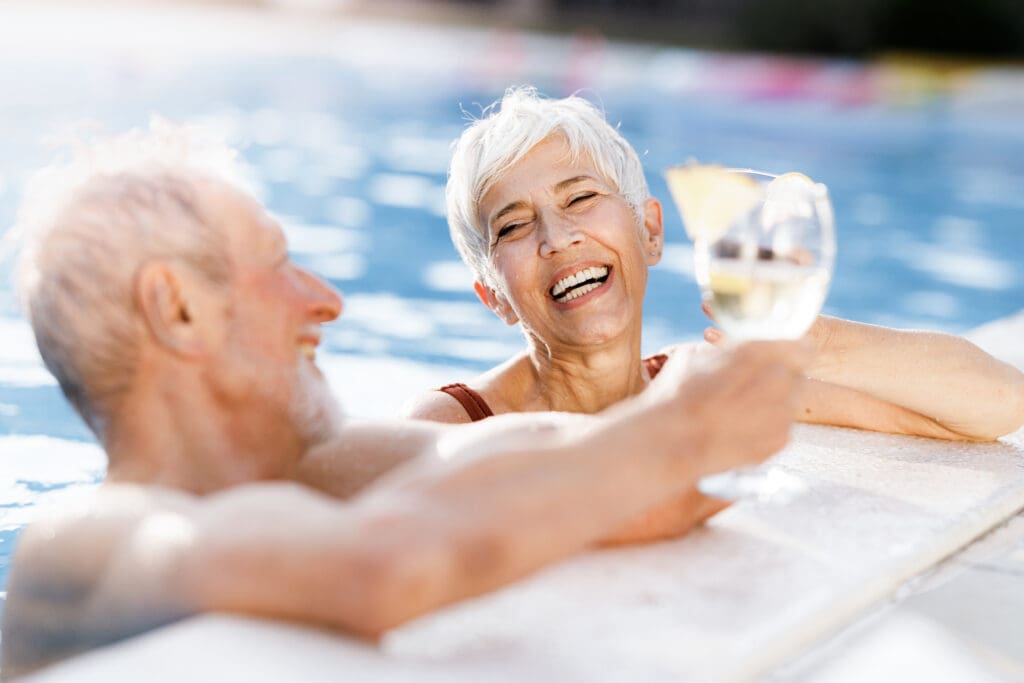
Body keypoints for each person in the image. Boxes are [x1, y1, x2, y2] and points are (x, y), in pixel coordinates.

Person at [0, 123, 811, 679]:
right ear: (178, 307)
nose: (325, 300)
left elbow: (539, 463)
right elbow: (383, 566)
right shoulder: (83, 548)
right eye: (280, 264)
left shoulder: (311, 472)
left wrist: (722, 395)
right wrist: (686, 426)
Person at [403, 87, 1024, 539]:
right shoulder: (455, 423)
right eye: (514, 225)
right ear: (494, 297)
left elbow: (997, 403)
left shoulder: (697, 380)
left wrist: (806, 339)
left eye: (582, 197)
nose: (557, 236)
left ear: (650, 232)